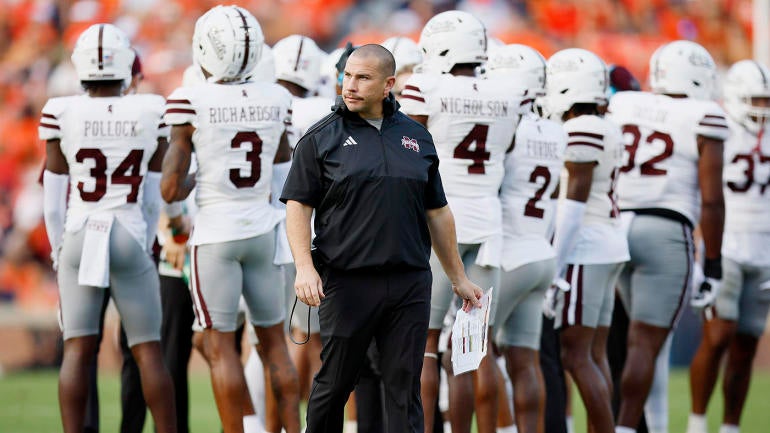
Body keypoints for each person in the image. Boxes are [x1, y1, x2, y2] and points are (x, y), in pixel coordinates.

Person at [281, 43, 483, 433]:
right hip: (346, 281)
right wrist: (304, 268)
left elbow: (437, 211)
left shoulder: (416, 136)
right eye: (348, 76)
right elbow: (298, 206)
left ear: (389, 84)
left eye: (363, 77)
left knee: (404, 389)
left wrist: (458, 277)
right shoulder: (320, 137)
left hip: (409, 282)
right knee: (334, 385)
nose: (350, 85)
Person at [159, 6, 300, 433]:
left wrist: (202, 176)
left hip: (216, 235)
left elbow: (169, 189)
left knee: (221, 349)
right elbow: (281, 173)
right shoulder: (277, 98)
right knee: (276, 346)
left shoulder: (191, 98)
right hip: (263, 231)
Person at [40, 23, 176, 433]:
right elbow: (154, 196)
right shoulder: (151, 108)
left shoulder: (60, 110)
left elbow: (52, 201)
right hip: (129, 227)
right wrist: (144, 237)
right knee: (149, 351)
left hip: (82, 228)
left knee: (78, 350)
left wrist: (57, 251)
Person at [400, 11, 524, 433]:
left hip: (437, 223)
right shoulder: (509, 91)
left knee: (427, 346)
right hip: (489, 224)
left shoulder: (425, 86)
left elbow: (409, 159)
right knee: (475, 349)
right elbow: (504, 152)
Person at [606, 40, 728, 433]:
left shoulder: (624, 104)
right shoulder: (703, 114)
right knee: (645, 345)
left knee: (616, 345)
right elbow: (711, 202)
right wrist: (712, 263)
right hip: (665, 231)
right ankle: (626, 427)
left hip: (615, 226)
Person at [541, 48, 628, 433]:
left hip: (585, 248)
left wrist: (555, 267)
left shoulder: (583, 129)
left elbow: (573, 205)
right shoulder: (606, 125)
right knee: (593, 354)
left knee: (575, 355)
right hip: (607, 242)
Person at [686, 59, 770, 433]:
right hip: (728, 244)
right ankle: (697, 421)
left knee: (747, 344)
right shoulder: (718, 129)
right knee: (718, 335)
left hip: (765, 250)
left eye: (767, 100)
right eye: (755, 99)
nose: (761, 108)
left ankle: (730, 427)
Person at [487, 43, 565, 433]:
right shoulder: (554, 129)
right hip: (541, 251)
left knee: (465, 354)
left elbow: (488, 188)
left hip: (506, 254)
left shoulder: (507, 127)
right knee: (525, 360)